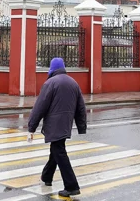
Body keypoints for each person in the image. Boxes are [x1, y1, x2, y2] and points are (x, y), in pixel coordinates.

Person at [28, 57, 87, 198]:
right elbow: (81, 107)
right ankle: (46, 177)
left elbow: (39, 107)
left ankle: (72, 186)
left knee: (59, 151)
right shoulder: (73, 83)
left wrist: (31, 127)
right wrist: (81, 126)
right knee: (56, 149)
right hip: (66, 123)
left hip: (54, 125)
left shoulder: (50, 83)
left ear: (52, 69)